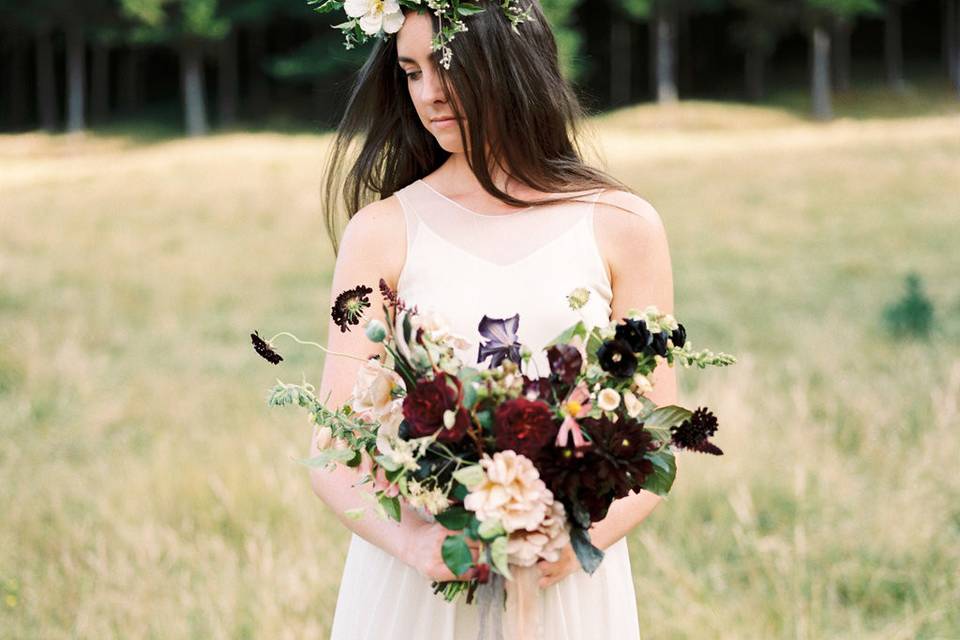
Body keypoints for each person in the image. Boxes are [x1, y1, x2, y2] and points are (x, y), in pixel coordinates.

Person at [310, 3, 677, 637]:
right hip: (423, 586)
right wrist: (420, 546)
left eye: (443, 65)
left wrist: (571, 544)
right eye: (410, 72)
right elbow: (332, 450)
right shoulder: (383, 232)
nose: (428, 93)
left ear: (508, 59)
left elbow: (654, 440)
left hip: (566, 582)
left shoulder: (623, 225)